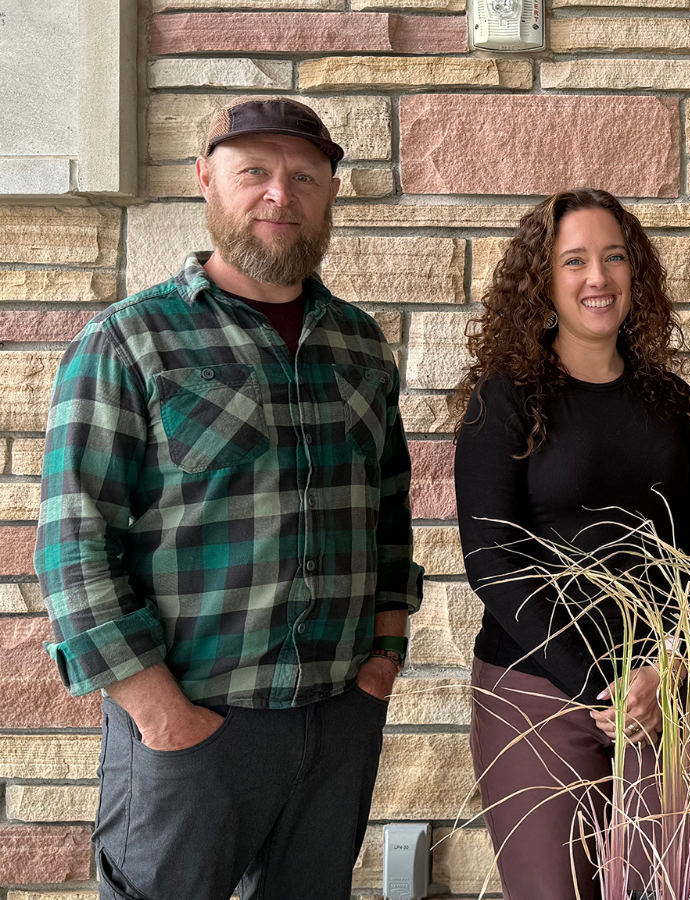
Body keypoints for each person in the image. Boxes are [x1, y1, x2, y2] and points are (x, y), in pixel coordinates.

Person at [34, 97, 422, 899]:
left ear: (330, 194)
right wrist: (160, 715)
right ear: (206, 179)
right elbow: (75, 544)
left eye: (305, 176)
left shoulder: (358, 343)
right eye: (255, 172)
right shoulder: (129, 341)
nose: (281, 194)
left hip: (338, 716)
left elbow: (389, 509)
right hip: (194, 730)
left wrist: (383, 658)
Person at [453, 188, 690, 900]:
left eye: (613, 258)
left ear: (637, 274)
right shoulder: (504, 400)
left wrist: (663, 673)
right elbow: (493, 566)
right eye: (575, 261)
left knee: (670, 887)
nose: (597, 278)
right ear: (543, 279)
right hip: (537, 691)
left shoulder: (672, 402)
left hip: (663, 695)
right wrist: (596, 685)